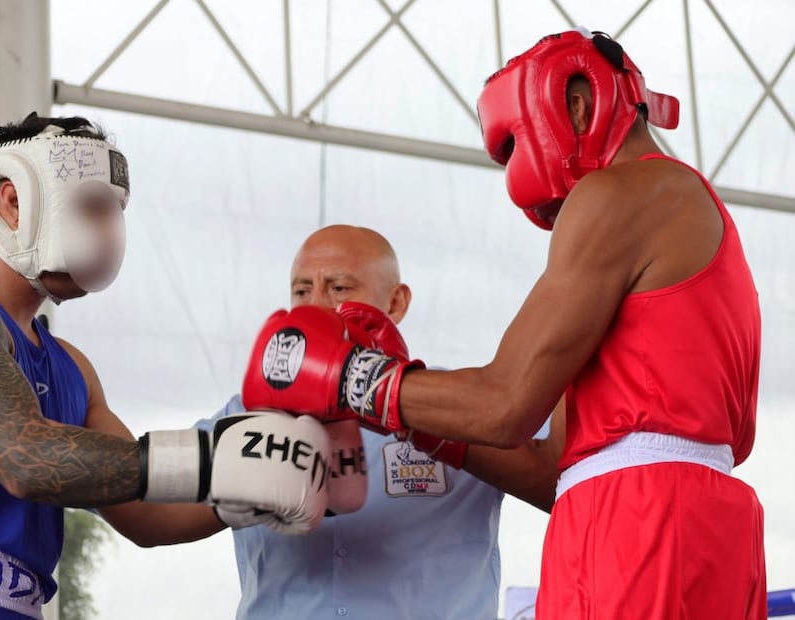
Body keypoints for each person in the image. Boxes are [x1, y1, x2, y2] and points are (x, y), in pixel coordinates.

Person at [241, 29, 765, 619]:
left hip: (642, 516)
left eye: (515, 140)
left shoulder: (621, 190)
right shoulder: (673, 209)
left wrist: (357, 379)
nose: (517, 164)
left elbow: (505, 402)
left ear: (577, 104)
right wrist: (417, 419)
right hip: (672, 512)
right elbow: (547, 470)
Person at [0, 113, 333, 619]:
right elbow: (28, 458)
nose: (110, 230)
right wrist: (221, 461)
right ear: (12, 201)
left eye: (116, 210)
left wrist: (252, 487)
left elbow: (146, 513)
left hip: (11, 605)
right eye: (92, 206)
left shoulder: (71, 369)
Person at [200, 224, 564, 619]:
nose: (315, 306)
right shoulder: (247, 414)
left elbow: (562, 482)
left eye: (339, 288)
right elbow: (150, 518)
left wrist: (395, 402)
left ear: (396, 303)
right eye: (301, 291)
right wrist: (244, 480)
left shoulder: (464, 403)